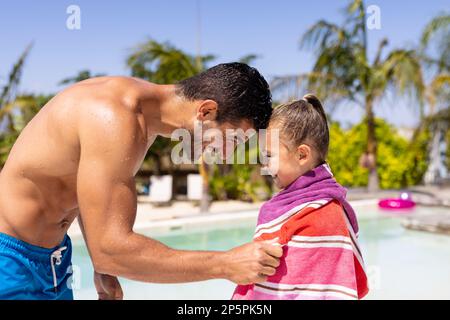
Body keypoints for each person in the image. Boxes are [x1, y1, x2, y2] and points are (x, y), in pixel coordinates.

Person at [0, 63, 283, 300]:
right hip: (8, 260)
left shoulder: (142, 118)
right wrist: (226, 264)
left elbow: (88, 187)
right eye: (232, 139)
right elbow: (112, 248)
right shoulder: (115, 116)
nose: (226, 153)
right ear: (206, 111)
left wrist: (104, 264)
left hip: (54, 259)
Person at [232, 95, 369, 300]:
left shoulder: (321, 215)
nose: (266, 166)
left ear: (302, 155)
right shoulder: (296, 208)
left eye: (270, 156)